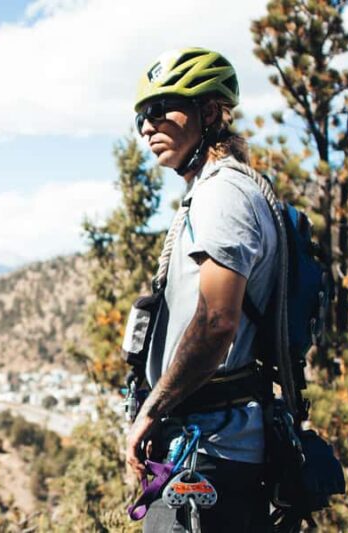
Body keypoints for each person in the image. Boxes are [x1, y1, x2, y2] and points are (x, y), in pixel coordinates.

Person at [124, 48, 275, 531]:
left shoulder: (222, 194)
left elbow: (216, 322)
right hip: (208, 448)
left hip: (209, 454)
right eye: (140, 117)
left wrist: (152, 410)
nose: (147, 127)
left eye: (159, 110)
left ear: (209, 113)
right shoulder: (220, 191)